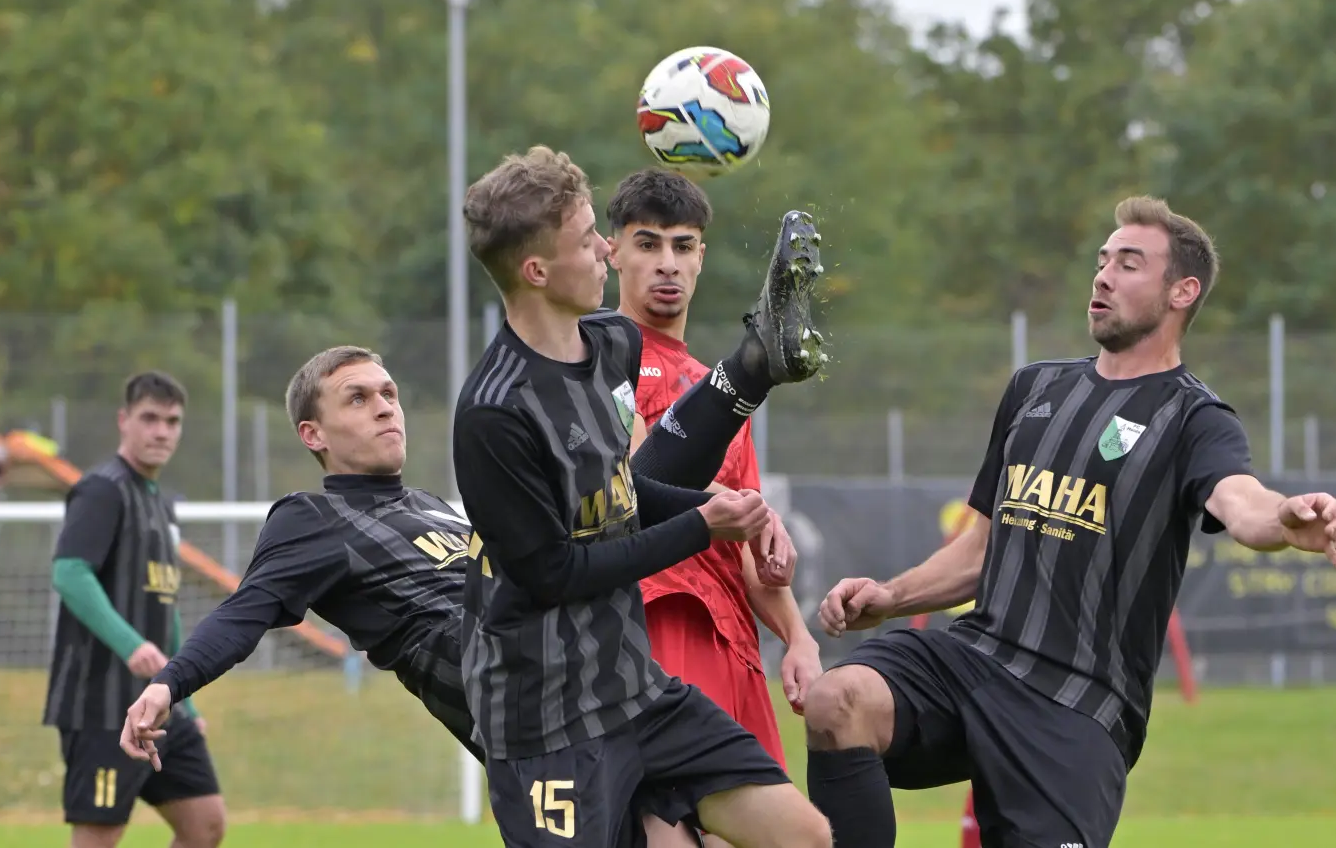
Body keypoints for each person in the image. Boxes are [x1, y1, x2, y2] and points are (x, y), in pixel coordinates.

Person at [118, 186, 826, 768]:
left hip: (591, 668)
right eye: (357, 400)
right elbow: (245, 612)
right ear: (313, 435)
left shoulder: (428, 507)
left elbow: (622, 502)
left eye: (389, 393)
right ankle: (748, 369)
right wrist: (169, 684)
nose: (385, 408)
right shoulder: (313, 521)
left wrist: (733, 523)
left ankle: (746, 368)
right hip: (532, 705)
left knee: (778, 825)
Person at [800, 196, 1336, 848]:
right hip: (974, 661)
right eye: (1102, 260)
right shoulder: (1033, 390)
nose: (1104, 276)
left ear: (1182, 291)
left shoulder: (1195, 418)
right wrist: (891, 597)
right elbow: (980, 549)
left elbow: (1240, 500)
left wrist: (1283, 521)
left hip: (1079, 705)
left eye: (1128, 264)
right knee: (836, 700)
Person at [452, 146, 832, 848]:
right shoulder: (493, 414)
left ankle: (754, 363)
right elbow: (554, 574)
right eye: (587, 240)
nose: (606, 248)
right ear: (536, 271)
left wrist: (719, 513)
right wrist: (702, 525)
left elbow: (626, 487)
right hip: (548, 720)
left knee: (804, 835)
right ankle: (751, 365)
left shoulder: (613, 345)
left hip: (638, 692)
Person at [608, 169, 822, 781]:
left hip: (733, 638)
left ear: (701, 257)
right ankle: (757, 356)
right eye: (647, 244)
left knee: (782, 823)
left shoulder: (714, 391)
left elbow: (748, 550)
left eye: (683, 246)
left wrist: (798, 637)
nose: (667, 263)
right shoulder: (598, 351)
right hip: (659, 614)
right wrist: (747, 509)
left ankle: (757, 357)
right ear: (612, 251)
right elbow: (632, 478)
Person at [43, 372, 225, 848]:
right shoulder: (101, 490)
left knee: (205, 825)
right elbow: (69, 572)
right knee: (100, 835)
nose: (161, 431)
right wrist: (130, 645)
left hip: (159, 704)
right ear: (124, 420)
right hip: (101, 704)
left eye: (172, 421)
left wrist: (186, 699)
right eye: (150, 418)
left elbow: (166, 607)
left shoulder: (162, 505)